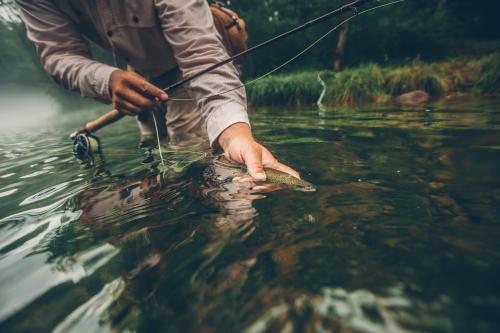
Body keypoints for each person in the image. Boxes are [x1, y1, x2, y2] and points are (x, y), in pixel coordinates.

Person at [16, 0, 299, 180]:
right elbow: (58, 56)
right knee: (156, 156)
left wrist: (236, 135)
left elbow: (201, 54)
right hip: (137, 75)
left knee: (196, 159)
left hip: (191, 70)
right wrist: (108, 80)